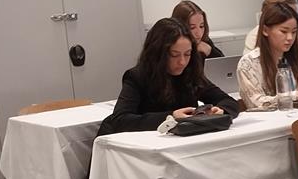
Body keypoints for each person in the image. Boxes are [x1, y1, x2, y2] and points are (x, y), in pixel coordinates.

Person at [98, 18, 239, 136]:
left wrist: (221, 110)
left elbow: (228, 101)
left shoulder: (190, 73)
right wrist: (171, 117)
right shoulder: (137, 76)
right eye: (174, 55)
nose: (182, 62)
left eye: (187, 54)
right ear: (158, 53)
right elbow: (120, 120)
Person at [237, 1, 298, 111]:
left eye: (294, 32)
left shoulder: (292, 58)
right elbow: (256, 104)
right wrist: (293, 96)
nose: (290, 38)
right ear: (265, 30)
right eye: (284, 31)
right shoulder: (248, 63)